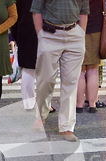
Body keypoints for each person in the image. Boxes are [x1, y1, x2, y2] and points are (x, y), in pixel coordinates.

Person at [30, 0, 89, 142]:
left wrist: (81, 33)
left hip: (74, 33)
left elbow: (84, 11)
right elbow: (36, 10)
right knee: (45, 80)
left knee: (71, 82)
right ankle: (41, 115)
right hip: (50, 33)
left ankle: (66, 126)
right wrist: (41, 35)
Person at [10, 0, 55, 113]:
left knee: (28, 69)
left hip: (24, 30)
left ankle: (28, 104)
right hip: (46, 30)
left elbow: (15, 14)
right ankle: (45, 104)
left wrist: (15, 35)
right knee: (46, 70)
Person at [76, 0, 105, 114]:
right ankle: (92, 104)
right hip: (96, 27)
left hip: (78, 27)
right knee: (93, 69)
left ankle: (79, 104)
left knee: (80, 70)